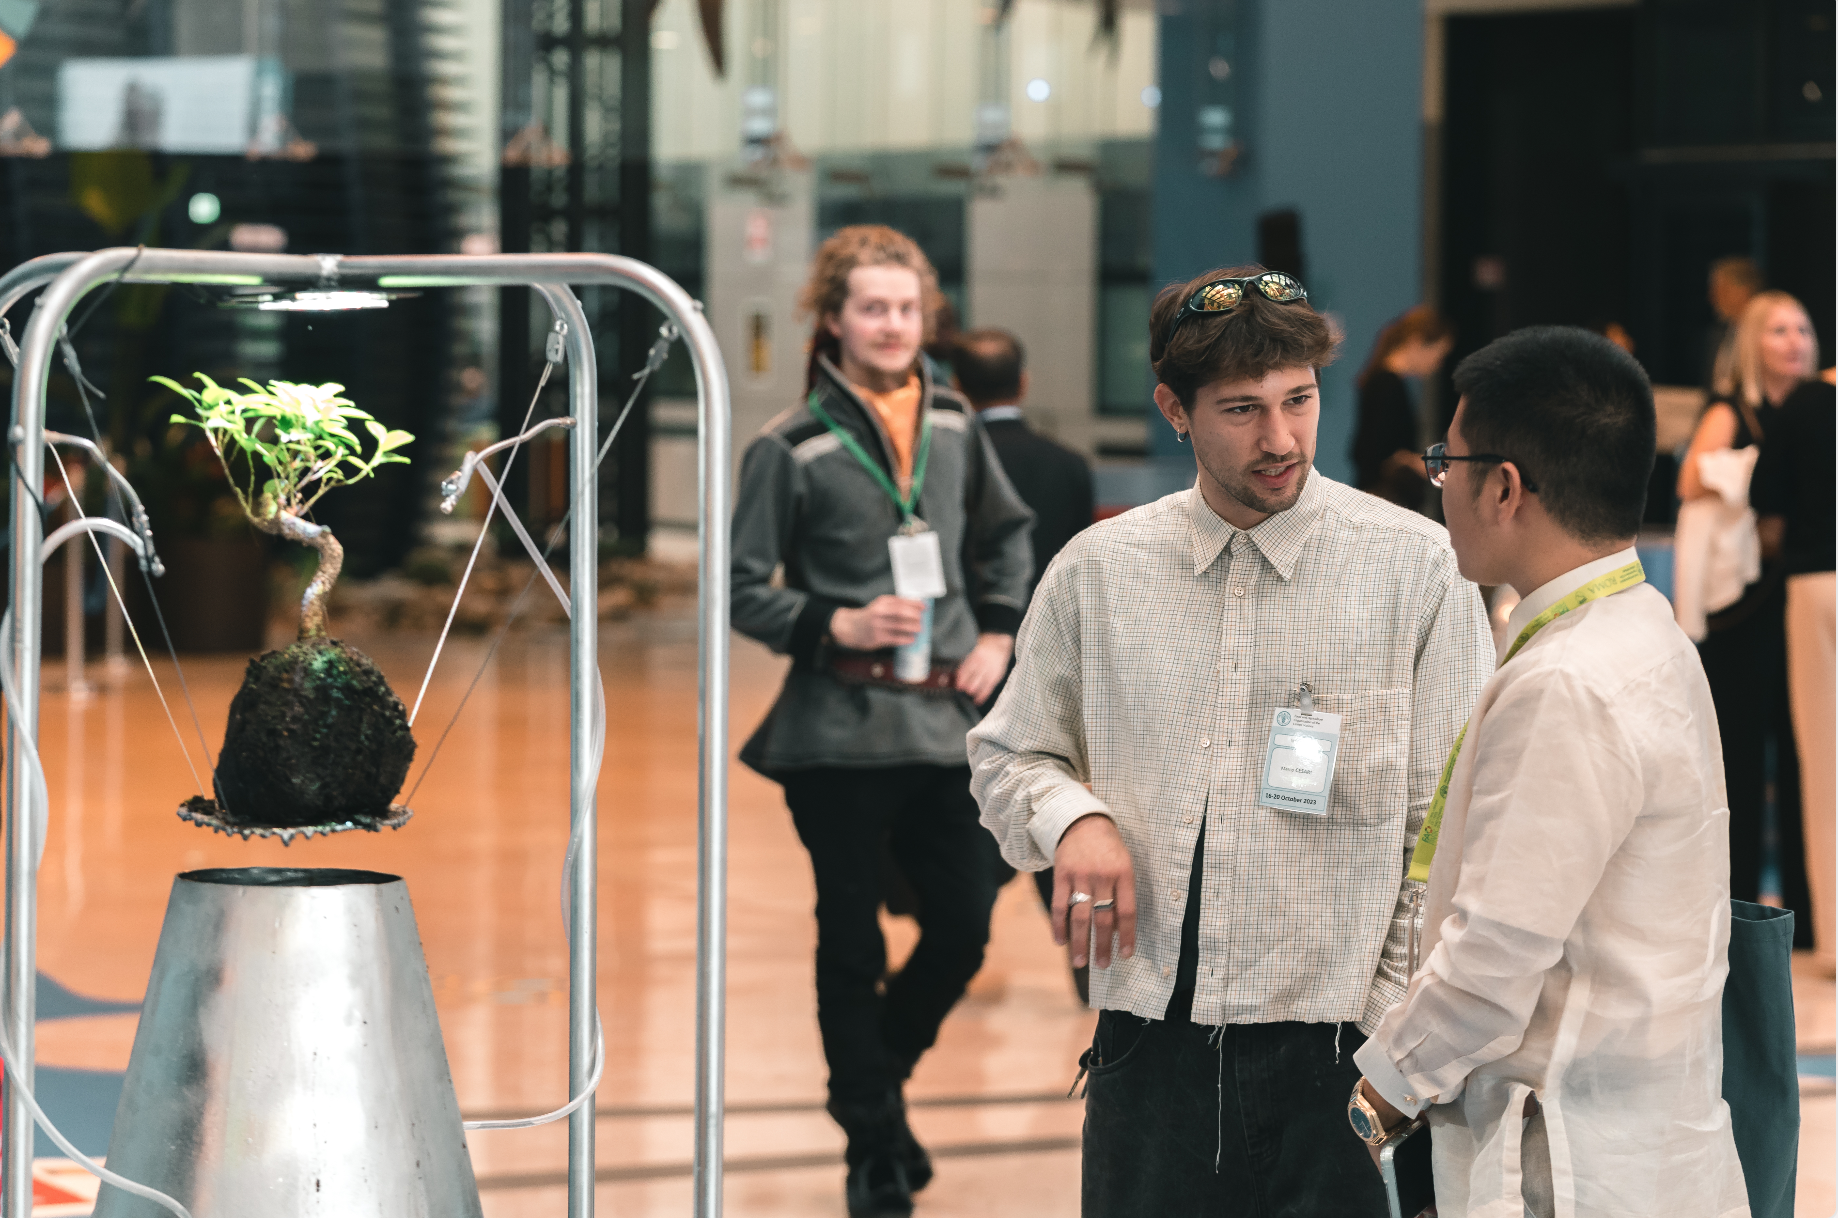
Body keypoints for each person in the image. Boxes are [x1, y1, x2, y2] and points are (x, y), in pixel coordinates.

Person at [969, 265, 1493, 1217]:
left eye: (1300, 401)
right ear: (1176, 409)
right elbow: (1009, 753)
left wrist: (1389, 1038)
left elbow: (1450, 823)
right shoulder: (1100, 571)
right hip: (1148, 1046)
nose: (1282, 439)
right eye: (1243, 410)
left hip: (1345, 1051)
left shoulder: (1417, 568)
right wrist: (1074, 819)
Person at [1350, 326, 1748, 1217]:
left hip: (1565, 1156)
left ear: (1505, 486)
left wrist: (1376, 1096)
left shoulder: (1566, 681)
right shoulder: (1643, 628)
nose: (1438, 482)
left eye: (1445, 460)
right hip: (1639, 1131)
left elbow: (1494, 956)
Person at [729, 225, 1034, 1217]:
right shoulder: (789, 446)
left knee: (961, 924)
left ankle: (867, 1091)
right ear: (834, 320)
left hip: (946, 726)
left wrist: (997, 631)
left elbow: (1007, 536)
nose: (892, 325)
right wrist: (831, 619)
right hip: (836, 734)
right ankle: (872, 1145)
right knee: (849, 942)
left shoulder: (952, 424)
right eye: (871, 307)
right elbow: (738, 590)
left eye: (906, 308)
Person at [951, 325, 1096, 999]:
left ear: (957, 389)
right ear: (1024, 383)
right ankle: (1084, 967)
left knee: (988, 801)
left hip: (977, 656)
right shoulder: (1068, 464)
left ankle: (958, 943)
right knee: (1055, 795)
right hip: (1063, 657)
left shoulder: (950, 464)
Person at [1678, 290, 1819, 946]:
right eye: (1778, 331)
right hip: (1743, 612)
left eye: (1802, 329)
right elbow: (1689, 483)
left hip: (1791, 598)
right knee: (1739, 755)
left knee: (1803, 756)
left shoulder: (1817, 411)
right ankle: (1732, 916)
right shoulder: (1735, 411)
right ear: (1753, 342)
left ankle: (1808, 911)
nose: (1793, 342)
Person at [1753, 377, 1837, 974]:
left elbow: (1767, 507)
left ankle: (1834, 938)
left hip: (1818, 583)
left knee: (1825, 761)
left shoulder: (1807, 404)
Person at [1350, 305, 1453, 510]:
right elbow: (1376, 452)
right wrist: (1418, 464)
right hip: (1384, 501)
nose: (1437, 363)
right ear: (1416, 342)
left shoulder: (1382, 380)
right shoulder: (1387, 385)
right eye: (1438, 354)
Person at [1705, 256, 1764, 398]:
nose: (1712, 297)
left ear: (1744, 291)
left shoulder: (1766, 335)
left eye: (1721, 289)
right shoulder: (1718, 335)